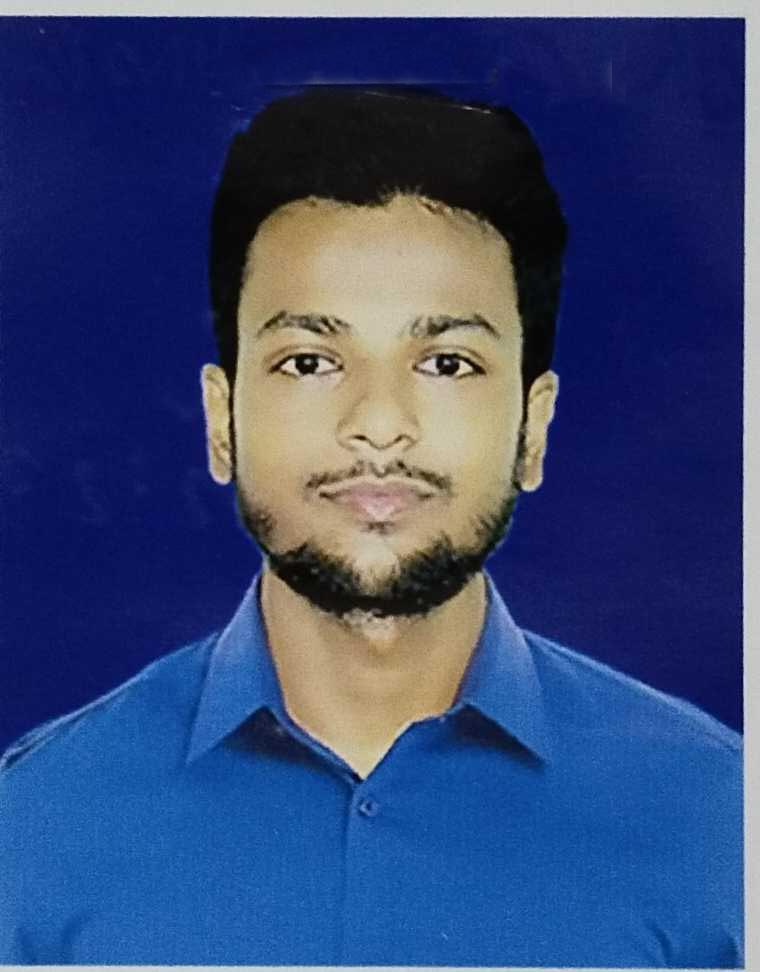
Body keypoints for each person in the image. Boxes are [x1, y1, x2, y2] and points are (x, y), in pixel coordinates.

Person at [0, 87, 742, 967]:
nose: (380, 425)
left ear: (534, 429)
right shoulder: (33, 827)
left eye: (447, 362)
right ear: (221, 421)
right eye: (310, 361)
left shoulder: (721, 822)